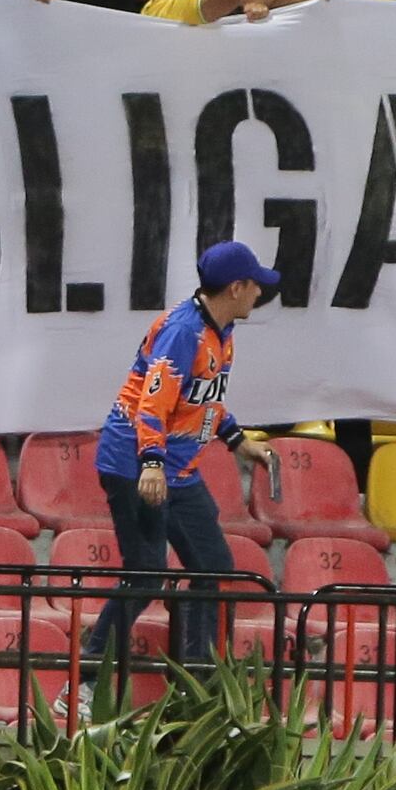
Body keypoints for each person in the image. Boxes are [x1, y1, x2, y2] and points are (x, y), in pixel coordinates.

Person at [86, 239, 268, 681]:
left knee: (213, 567)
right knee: (147, 574)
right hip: (135, 464)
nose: (262, 293)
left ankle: (195, 682)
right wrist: (150, 463)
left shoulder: (221, 332)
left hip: (178, 471)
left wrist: (236, 438)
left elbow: (203, 400)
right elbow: (153, 404)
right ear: (237, 288)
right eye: (256, 285)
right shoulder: (183, 331)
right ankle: (87, 680)